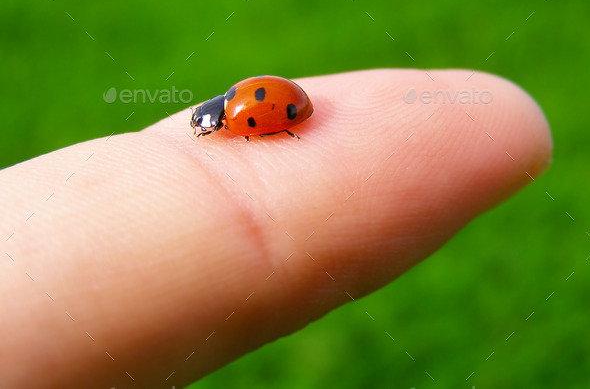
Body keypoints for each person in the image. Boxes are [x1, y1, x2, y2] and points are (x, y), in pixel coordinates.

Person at [0, 69, 552, 388]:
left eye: (208, 124)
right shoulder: (234, 111)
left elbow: (255, 116)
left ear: (219, 118)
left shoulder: (240, 115)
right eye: (206, 124)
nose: (208, 128)